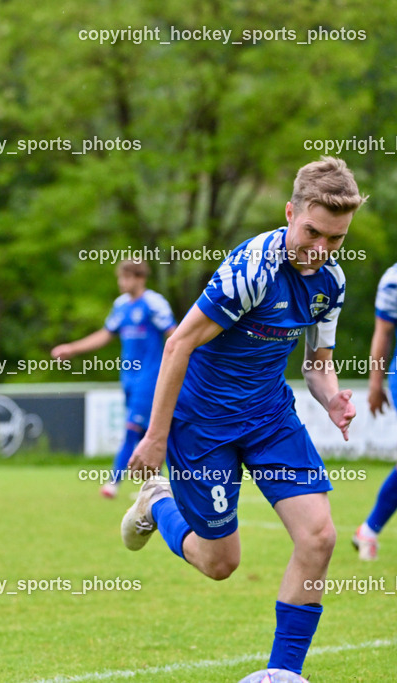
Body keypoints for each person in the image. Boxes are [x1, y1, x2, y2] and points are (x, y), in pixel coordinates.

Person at [120, 156, 364, 677]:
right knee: (219, 564)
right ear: (289, 213)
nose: (320, 251)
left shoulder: (331, 283)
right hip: (202, 424)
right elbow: (178, 344)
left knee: (319, 536)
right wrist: (156, 438)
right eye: (312, 232)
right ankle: (157, 502)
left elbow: (318, 364)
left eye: (336, 240)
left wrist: (333, 397)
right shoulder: (252, 271)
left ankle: (282, 673)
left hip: (269, 417)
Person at [51, 259, 176, 498]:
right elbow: (105, 335)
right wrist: (72, 348)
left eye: (127, 277)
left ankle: (113, 483)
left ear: (140, 278)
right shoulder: (121, 305)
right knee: (148, 433)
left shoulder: (153, 303)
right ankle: (166, 484)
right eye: (120, 277)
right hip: (128, 378)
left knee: (133, 429)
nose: (122, 282)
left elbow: (175, 334)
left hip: (150, 378)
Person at [353, 264, 397, 560]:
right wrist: (374, 384)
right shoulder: (394, 279)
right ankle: (369, 529)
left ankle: (368, 530)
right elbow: (383, 332)